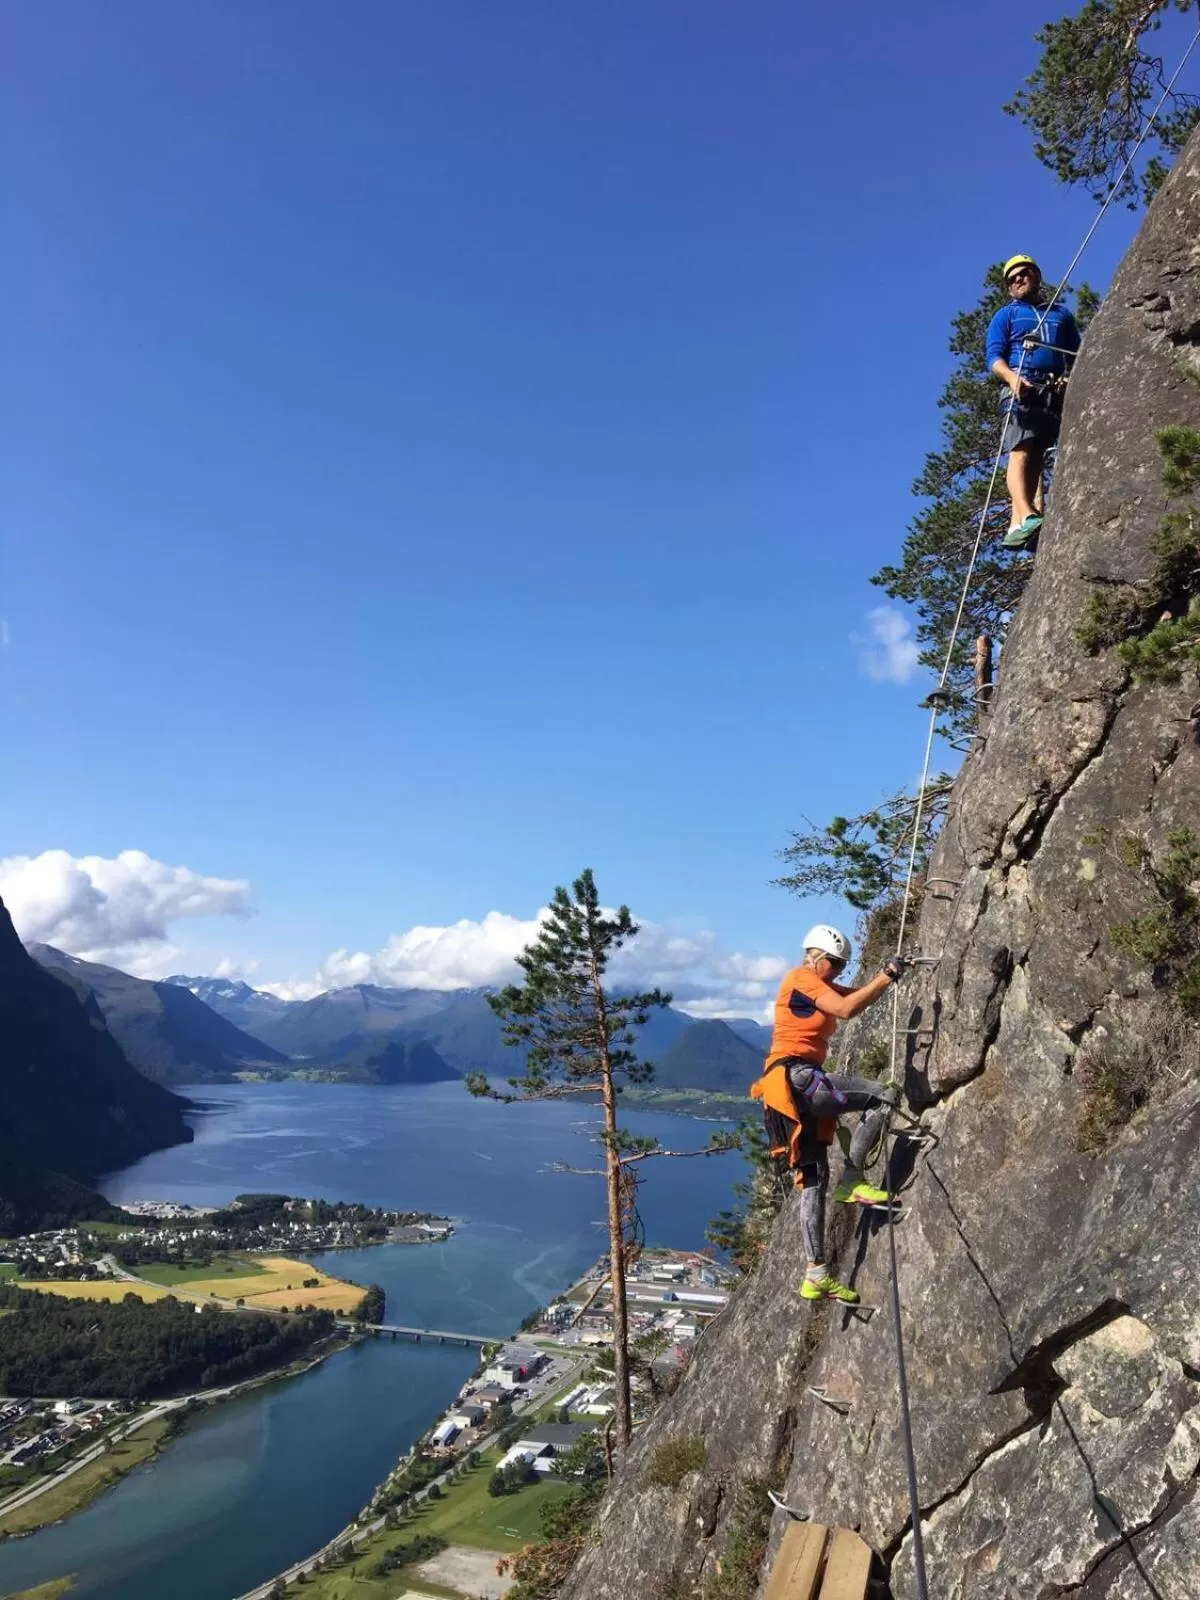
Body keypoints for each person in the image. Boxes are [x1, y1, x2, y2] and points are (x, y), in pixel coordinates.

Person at [752, 925, 908, 1305]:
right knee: (882, 1097)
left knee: (814, 1180)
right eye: (835, 964)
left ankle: (815, 1273)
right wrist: (887, 975)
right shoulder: (801, 977)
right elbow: (846, 1009)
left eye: (842, 966)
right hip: (800, 1078)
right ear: (816, 956)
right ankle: (853, 1178)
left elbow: (853, 996)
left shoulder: (815, 983)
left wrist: (886, 978)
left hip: (789, 1088)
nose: (838, 971)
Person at [986, 254, 1081, 551]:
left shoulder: (1060, 315)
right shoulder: (1006, 315)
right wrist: (1012, 379)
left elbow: (1076, 353)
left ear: (1036, 276)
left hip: (1049, 391)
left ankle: (1017, 526)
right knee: (1021, 451)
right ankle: (1028, 514)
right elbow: (994, 358)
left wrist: (1069, 377)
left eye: (1024, 273)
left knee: (1037, 456)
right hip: (1022, 387)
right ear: (1008, 287)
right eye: (1012, 278)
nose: (1019, 279)